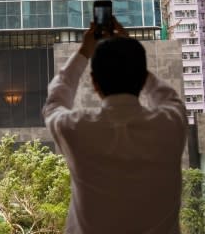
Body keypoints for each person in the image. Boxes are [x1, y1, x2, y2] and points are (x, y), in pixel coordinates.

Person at [43, 18, 186, 233]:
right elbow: (169, 98)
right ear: (141, 78)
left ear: (95, 83)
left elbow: (54, 102)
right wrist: (132, 57)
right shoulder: (170, 125)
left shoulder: (76, 129)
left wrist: (84, 50)